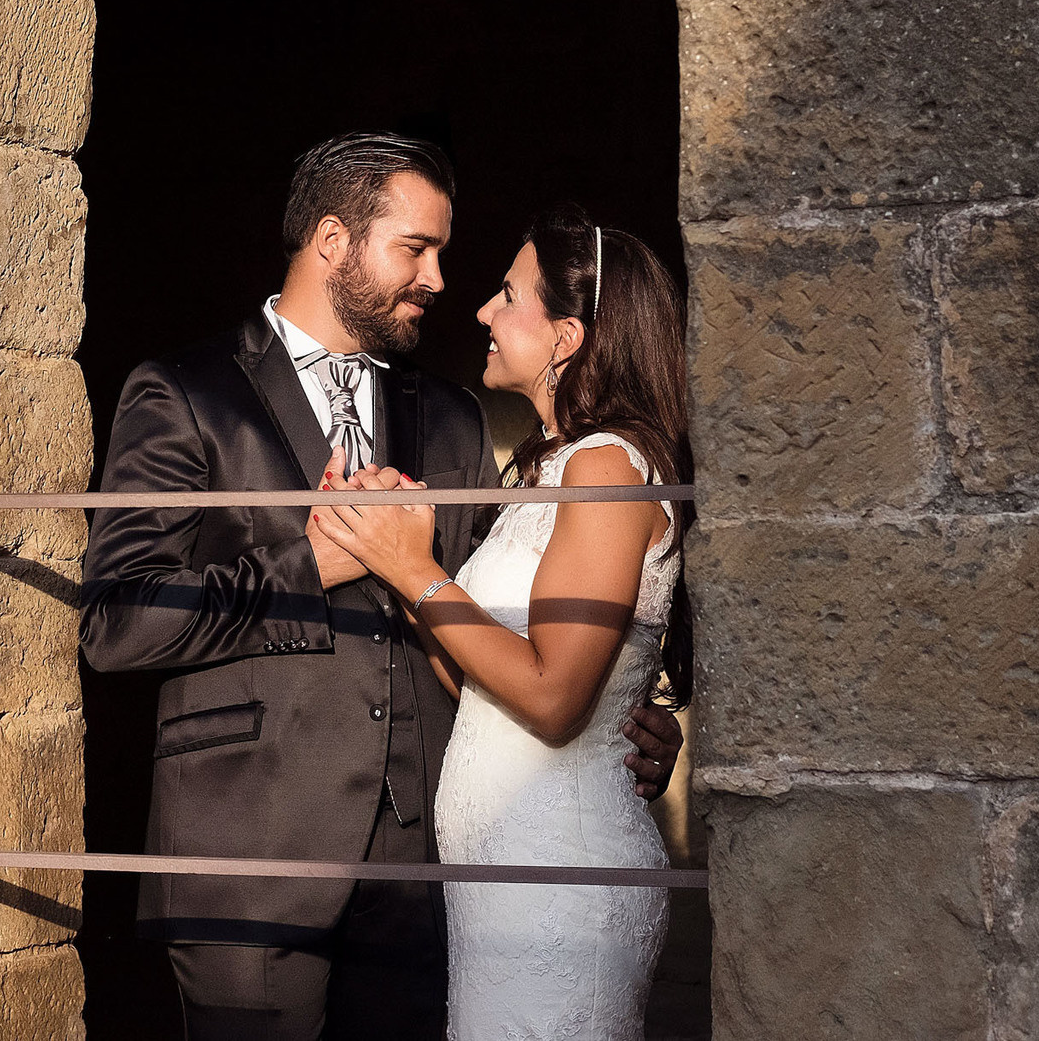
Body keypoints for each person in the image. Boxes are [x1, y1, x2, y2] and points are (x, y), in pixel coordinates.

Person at [79, 137, 682, 1041]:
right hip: (251, 860)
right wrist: (312, 565)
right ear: (332, 240)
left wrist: (635, 708)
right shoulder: (184, 391)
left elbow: (514, 621)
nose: (440, 278)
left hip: (427, 877)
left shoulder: (449, 415)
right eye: (417, 248)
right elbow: (116, 621)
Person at [313, 204, 693, 1040]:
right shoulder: (549, 466)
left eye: (508, 293)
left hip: (561, 880)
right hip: (503, 886)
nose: (482, 310)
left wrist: (418, 569)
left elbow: (554, 695)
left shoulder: (605, 467)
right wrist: (395, 552)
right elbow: (479, 676)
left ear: (567, 335)